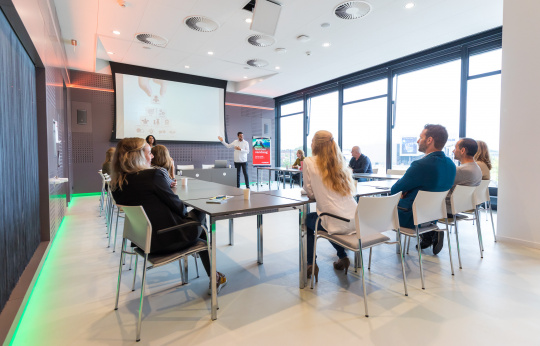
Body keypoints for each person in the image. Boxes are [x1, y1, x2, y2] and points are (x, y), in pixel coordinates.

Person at [110, 138, 227, 293]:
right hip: (168, 239)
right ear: (137, 155)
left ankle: (213, 273)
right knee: (202, 212)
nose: (152, 157)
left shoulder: (116, 184)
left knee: (197, 224)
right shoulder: (153, 175)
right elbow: (180, 209)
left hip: (144, 242)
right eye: (149, 153)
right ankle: (214, 276)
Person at [390, 124, 456, 255]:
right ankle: (431, 232)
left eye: (420, 137)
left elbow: (395, 190)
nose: (417, 141)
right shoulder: (451, 165)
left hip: (410, 217)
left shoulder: (420, 165)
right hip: (433, 215)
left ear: (429, 140)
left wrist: (404, 192)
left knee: (378, 207)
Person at [304, 130, 358, 280]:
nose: (311, 144)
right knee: (326, 219)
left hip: (335, 222)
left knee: (310, 220)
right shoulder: (341, 163)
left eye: (312, 141)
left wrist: (318, 192)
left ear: (316, 144)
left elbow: (310, 192)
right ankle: (342, 257)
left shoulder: (309, 161)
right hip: (356, 221)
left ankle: (311, 264)